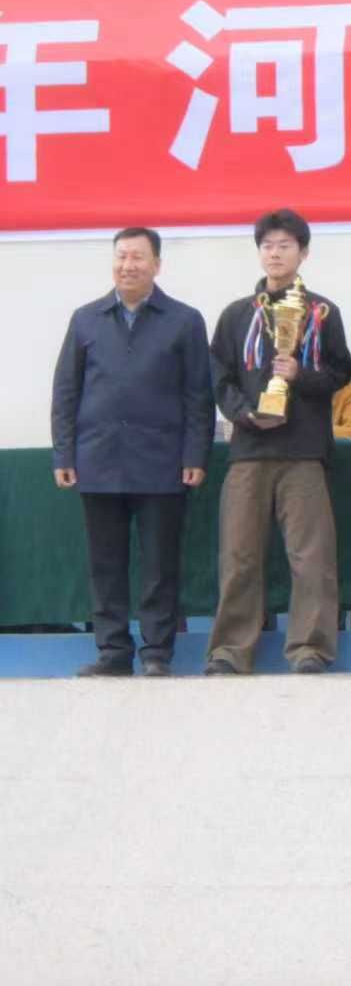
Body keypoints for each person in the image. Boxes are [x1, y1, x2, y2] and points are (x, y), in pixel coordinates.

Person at [50, 227, 214, 677]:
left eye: (138, 257)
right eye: (121, 256)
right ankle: (113, 652)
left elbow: (199, 396)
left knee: (160, 564)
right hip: (98, 459)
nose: (128, 265)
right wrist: (64, 455)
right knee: (105, 564)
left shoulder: (184, 320)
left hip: (163, 461)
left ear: (157, 264)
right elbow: (66, 391)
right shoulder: (86, 319)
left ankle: (157, 652)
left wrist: (195, 456)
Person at [205, 209, 351, 675]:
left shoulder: (322, 312)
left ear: (303, 253)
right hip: (248, 452)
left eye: (285, 245)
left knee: (311, 557)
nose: (275, 253)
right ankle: (230, 651)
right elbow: (219, 376)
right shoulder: (236, 315)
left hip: (304, 452)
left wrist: (301, 375)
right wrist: (243, 413)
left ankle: (310, 648)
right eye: (267, 245)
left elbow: (341, 371)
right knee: (239, 555)